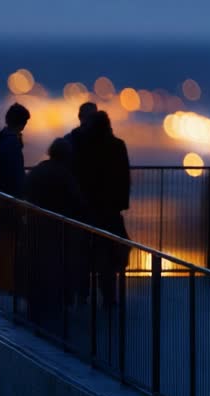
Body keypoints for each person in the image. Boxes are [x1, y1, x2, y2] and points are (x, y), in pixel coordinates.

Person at [25, 138, 88, 324]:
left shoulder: (37, 171)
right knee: (59, 269)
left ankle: (35, 306)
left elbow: (24, 191)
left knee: (38, 269)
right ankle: (58, 307)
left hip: (35, 229)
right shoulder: (64, 176)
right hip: (59, 232)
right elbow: (77, 203)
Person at [72, 110, 131, 306]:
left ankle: (81, 292)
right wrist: (122, 202)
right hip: (110, 209)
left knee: (83, 251)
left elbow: (79, 175)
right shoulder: (117, 146)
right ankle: (109, 295)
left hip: (87, 208)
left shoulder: (84, 147)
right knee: (109, 252)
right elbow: (124, 177)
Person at [0, 103, 30, 295]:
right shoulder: (11, 142)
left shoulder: (2, 138)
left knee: (7, 236)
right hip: (11, 198)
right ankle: (9, 279)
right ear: (21, 122)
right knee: (14, 237)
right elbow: (15, 174)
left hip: (2, 196)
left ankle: (4, 278)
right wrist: (23, 196)